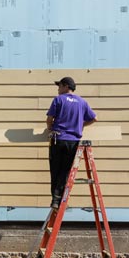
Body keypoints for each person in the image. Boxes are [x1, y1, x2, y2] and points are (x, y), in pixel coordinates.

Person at [46, 76, 98, 209]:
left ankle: (56, 201)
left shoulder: (59, 100)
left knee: (56, 170)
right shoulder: (82, 102)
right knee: (66, 171)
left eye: (59, 86)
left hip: (58, 139)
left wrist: (50, 128)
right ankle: (62, 199)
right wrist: (80, 126)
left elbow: (50, 118)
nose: (58, 89)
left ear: (66, 86)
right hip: (73, 142)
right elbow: (94, 118)